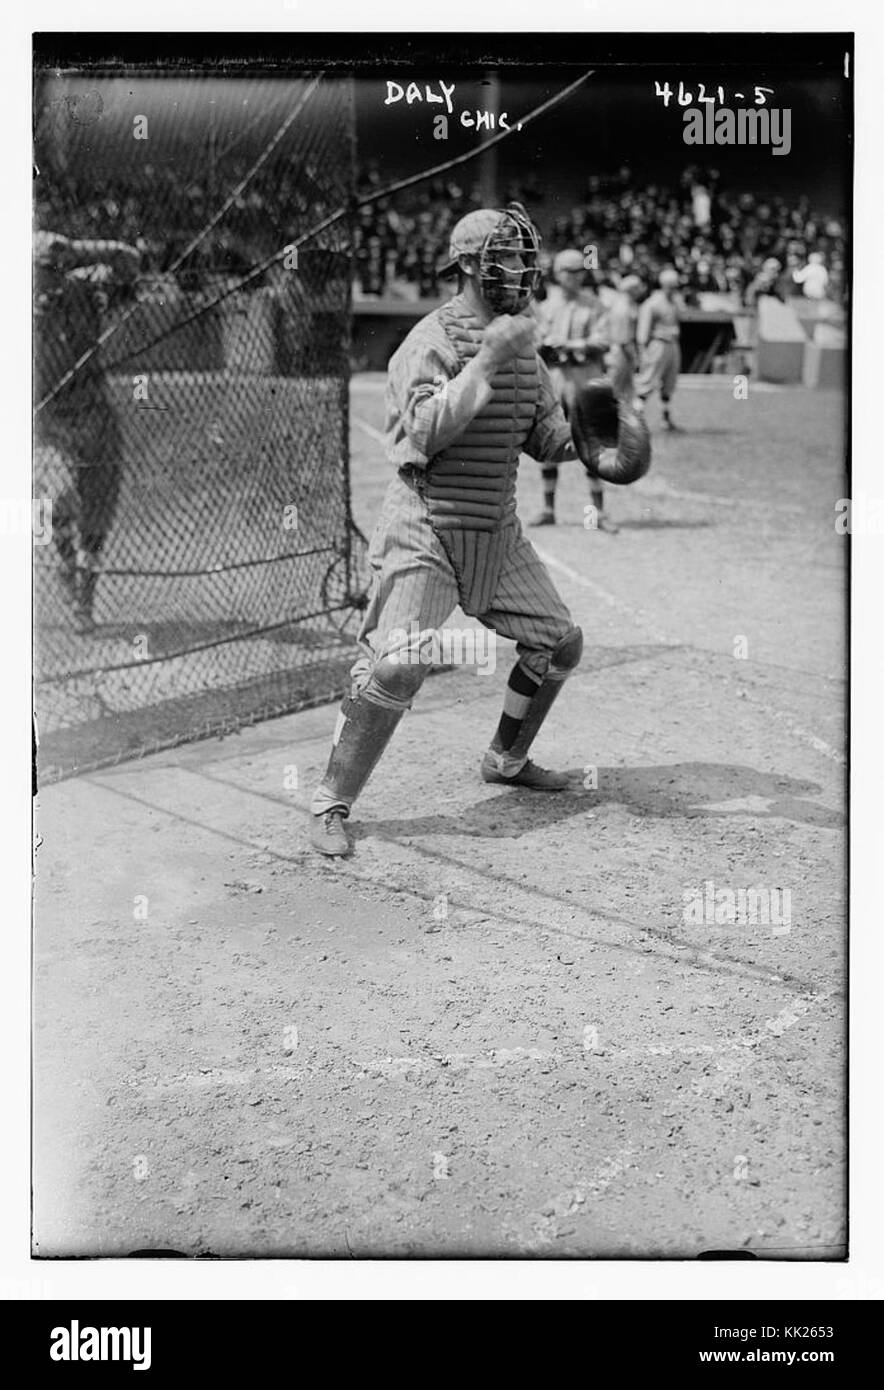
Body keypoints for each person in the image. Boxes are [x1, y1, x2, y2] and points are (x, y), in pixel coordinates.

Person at [308, 205, 590, 857]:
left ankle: (506, 759)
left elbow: (545, 437)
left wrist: (592, 439)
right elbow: (427, 431)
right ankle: (329, 801)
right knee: (399, 665)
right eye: (507, 257)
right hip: (426, 523)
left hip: (494, 527)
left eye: (524, 258)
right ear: (468, 265)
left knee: (559, 644)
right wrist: (486, 360)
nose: (521, 270)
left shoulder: (520, 345)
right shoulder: (430, 340)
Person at [34, 229, 140, 633]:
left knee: (98, 515)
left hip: (95, 415)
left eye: (53, 271)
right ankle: (66, 563)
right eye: (40, 272)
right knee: (57, 500)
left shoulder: (82, 288)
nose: (47, 282)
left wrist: (77, 250)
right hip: (48, 423)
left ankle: (85, 598)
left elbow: (130, 262)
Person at [531, 248, 617, 531]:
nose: (575, 277)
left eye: (580, 271)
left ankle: (598, 512)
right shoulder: (545, 308)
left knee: (592, 443)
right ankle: (548, 509)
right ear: (557, 273)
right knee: (551, 439)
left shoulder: (594, 305)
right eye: (569, 271)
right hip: (555, 378)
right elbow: (535, 341)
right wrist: (545, 344)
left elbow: (603, 340)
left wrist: (572, 345)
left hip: (585, 377)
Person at [634, 267, 683, 430]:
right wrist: (643, 350)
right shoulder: (653, 303)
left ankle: (666, 418)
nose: (674, 289)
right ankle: (635, 418)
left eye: (675, 286)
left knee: (669, 382)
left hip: (672, 344)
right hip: (658, 343)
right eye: (671, 286)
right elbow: (643, 329)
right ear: (664, 285)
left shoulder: (674, 302)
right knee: (648, 380)